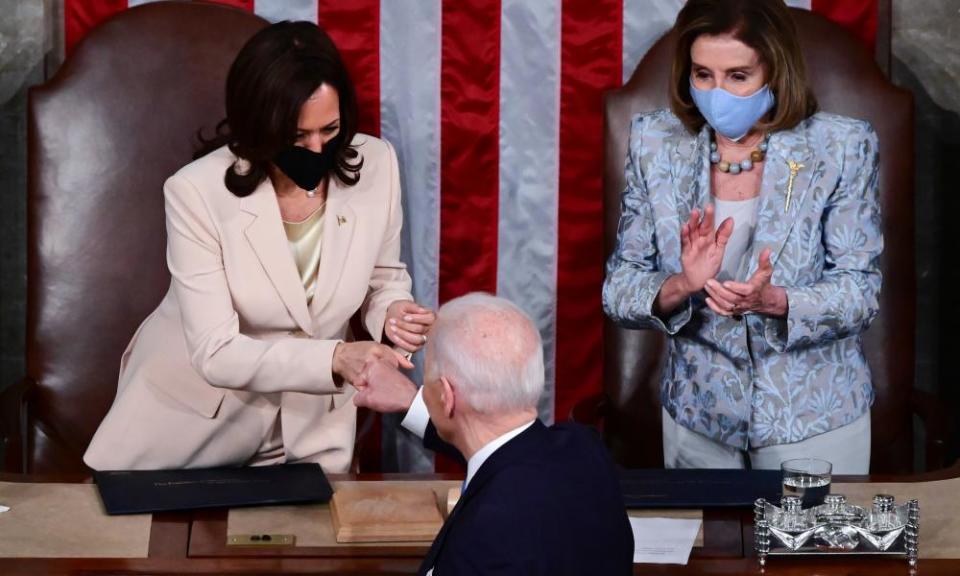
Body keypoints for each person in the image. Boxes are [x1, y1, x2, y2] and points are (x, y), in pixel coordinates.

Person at [84, 22, 434, 472]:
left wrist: (391, 312)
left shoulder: (377, 164)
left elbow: (382, 277)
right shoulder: (195, 192)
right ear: (257, 124)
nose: (315, 149)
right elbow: (216, 351)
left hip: (312, 431)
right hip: (191, 427)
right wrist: (336, 356)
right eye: (296, 137)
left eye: (329, 130)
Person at [602, 0, 882, 474]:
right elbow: (619, 290)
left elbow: (861, 294)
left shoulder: (841, 146)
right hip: (699, 417)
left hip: (815, 418)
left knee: (814, 552)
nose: (717, 93)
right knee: (710, 550)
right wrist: (681, 286)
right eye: (702, 74)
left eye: (737, 76)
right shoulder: (655, 143)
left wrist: (775, 301)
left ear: (775, 70)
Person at [354, 293, 634, 576]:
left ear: (446, 396)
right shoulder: (584, 448)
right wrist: (412, 400)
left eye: (427, 381)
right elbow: (503, 450)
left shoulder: (484, 539)